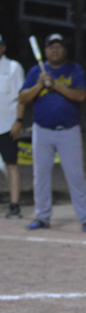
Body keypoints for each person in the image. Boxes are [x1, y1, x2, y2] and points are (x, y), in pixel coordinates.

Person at [18, 33, 86, 233]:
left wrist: (56, 85)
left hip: (68, 131)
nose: (55, 50)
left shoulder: (75, 70)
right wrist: (40, 84)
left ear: (65, 50)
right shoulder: (36, 71)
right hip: (41, 130)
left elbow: (81, 95)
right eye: (51, 47)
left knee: (75, 176)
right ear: (45, 51)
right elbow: (23, 98)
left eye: (59, 47)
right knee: (40, 176)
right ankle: (42, 217)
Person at [0, 34, 25, 218]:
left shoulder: (13, 67)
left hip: (7, 125)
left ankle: (15, 205)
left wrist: (18, 121)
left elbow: (21, 98)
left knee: (11, 165)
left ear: (3, 47)